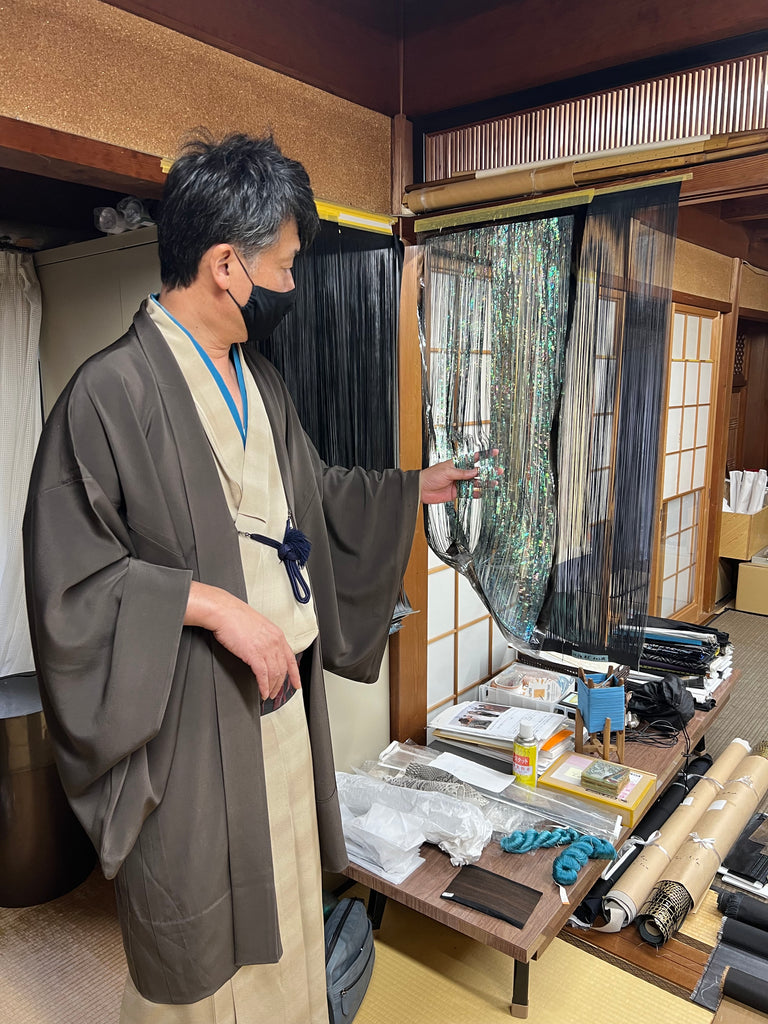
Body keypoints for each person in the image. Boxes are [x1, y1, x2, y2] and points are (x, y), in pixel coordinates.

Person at [23, 132, 479, 1024]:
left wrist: (407, 488)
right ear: (226, 266)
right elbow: (68, 586)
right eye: (282, 265)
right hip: (188, 716)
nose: (291, 287)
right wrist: (207, 606)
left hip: (281, 702)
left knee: (287, 899)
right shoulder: (108, 395)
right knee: (198, 926)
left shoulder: (259, 382)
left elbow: (310, 495)